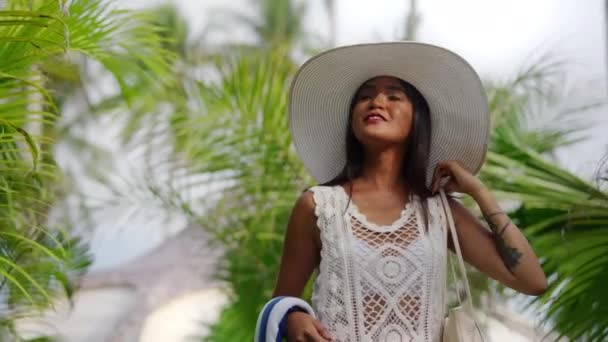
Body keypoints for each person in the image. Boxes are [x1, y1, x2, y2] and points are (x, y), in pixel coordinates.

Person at [271, 42, 547, 342]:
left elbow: (531, 280)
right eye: (364, 97)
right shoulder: (318, 206)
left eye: (393, 96)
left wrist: (478, 191)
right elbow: (280, 304)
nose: (376, 102)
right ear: (352, 122)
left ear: (417, 118)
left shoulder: (440, 211)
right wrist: (294, 317)